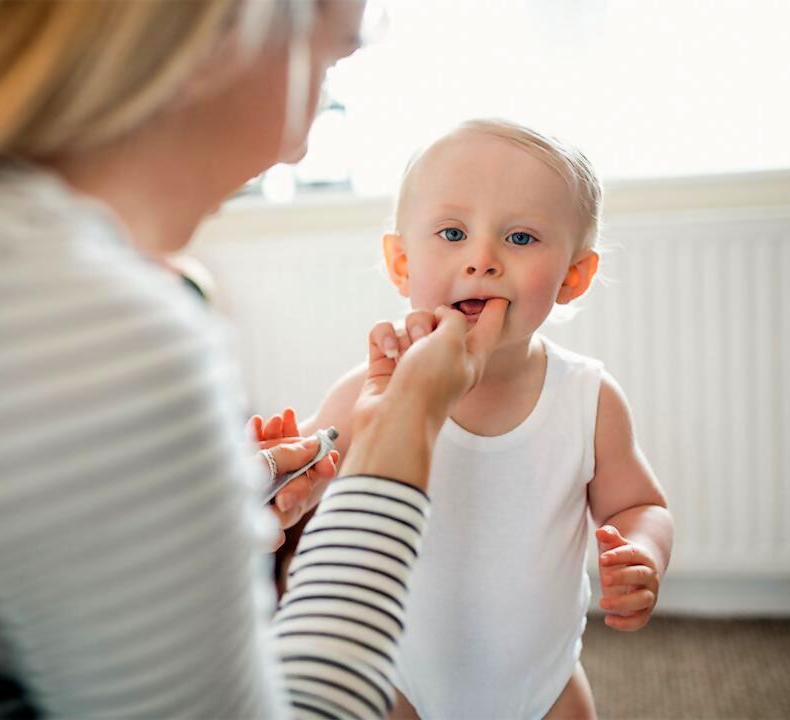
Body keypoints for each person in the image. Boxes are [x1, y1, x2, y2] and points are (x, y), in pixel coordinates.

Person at [0, 2, 509, 718]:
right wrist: (398, 442)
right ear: (215, 36)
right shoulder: (72, 328)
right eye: (328, 60)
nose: (298, 146)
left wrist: (187, 517)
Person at [281, 119, 675, 719]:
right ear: (401, 261)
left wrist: (641, 551)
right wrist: (282, 460)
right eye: (452, 232)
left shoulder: (587, 398)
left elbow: (640, 505)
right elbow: (309, 473)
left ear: (573, 276)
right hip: (404, 680)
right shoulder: (374, 392)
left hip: (543, 688)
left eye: (520, 238)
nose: (482, 260)